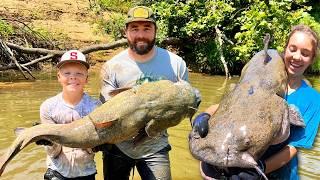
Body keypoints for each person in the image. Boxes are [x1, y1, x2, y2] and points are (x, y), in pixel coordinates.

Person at [194, 24, 320, 180]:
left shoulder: (313, 100)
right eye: (292, 49)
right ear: (285, 49)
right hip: (240, 168)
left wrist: (262, 167)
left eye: (305, 53)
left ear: (312, 59)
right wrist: (204, 115)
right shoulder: (258, 80)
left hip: (280, 174)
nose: (296, 57)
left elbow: (294, 147)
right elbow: (224, 107)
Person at [98, 6, 189, 180]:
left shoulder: (176, 64)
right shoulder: (111, 67)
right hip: (118, 145)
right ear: (126, 32)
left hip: (156, 144)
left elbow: (185, 106)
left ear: (156, 31)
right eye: (134, 29)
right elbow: (104, 113)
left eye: (147, 28)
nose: (141, 34)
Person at [39, 50, 101, 180]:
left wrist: (100, 144)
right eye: (67, 73)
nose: (73, 77)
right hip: (57, 172)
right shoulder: (48, 107)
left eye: (79, 73)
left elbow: (94, 148)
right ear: (58, 77)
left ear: (86, 78)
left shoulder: (96, 107)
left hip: (86, 172)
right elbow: (54, 153)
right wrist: (49, 142)